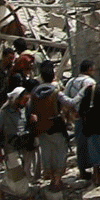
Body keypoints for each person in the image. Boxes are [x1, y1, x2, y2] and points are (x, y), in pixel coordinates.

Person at [29, 60, 72, 190]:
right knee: (60, 152)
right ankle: (57, 181)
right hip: (56, 126)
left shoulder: (34, 93)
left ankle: (51, 177)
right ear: (53, 76)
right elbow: (69, 103)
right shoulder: (56, 92)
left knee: (47, 152)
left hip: (41, 127)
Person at [0, 87, 36, 197]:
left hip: (23, 144)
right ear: (17, 99)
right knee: (17, 171)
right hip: (10, 146)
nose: (26, 103)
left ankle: (3, 189)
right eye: (24, 100)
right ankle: (26, 195)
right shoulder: (4, 112)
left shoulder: (24, 109)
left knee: (16, 170)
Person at [64, 59, 96, 174]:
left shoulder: (71, 81)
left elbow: (66, 99)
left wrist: (72, 111)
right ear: (88, 70)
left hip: (76, 116)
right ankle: (93, 168)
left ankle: (82, 168)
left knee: (80, 143)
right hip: (88, 116)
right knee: (91, 142)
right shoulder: (90, 82)